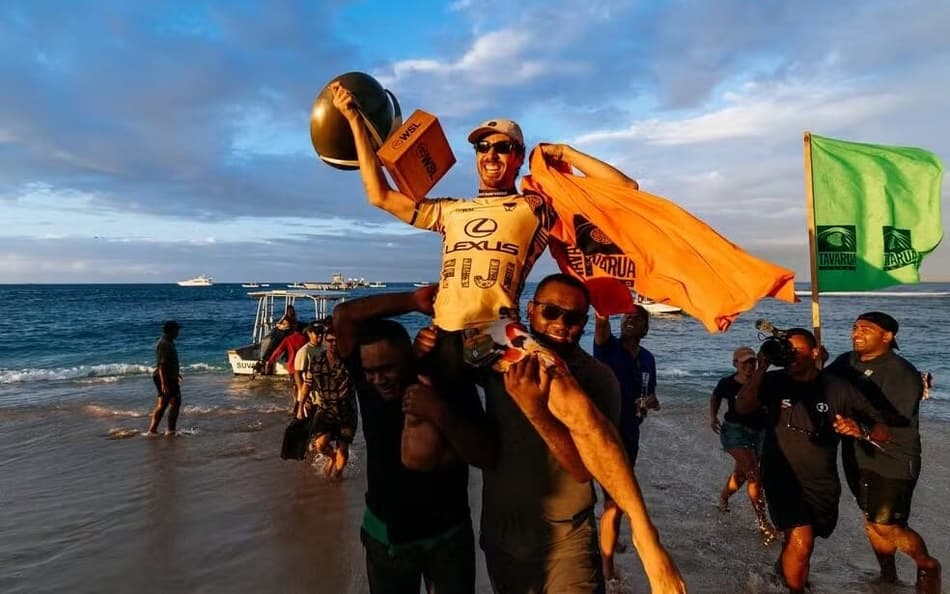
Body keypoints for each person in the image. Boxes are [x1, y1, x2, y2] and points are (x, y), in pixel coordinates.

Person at [479, 274, 683, 594]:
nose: (561, 324)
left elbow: (583, 469)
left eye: (573, 318)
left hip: (567, 538)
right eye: (551, 312)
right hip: (502, 532)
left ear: (585, 323)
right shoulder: (500, 357)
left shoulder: (599, 378)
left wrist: (536, 410)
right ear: (530, 310)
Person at [332, 287, 497, 594]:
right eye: (370, 371)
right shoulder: (368, 386)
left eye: (388, 369)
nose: (378, 379)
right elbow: (344, 316)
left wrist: (438, 412)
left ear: (408, 359)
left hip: (448, 535)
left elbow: (487, 456)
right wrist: (411, 301)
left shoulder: (447, 386)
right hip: (387, 538)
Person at [735, 328, 889, 593]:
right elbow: (742, 408)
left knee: (803, 540)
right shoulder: (773, 382)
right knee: (802, 539)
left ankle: (780, 575)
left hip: (822, 481)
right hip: (780, 474)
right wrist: (762, 367)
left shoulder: (837, 388)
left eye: (797, 351)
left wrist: (860, 430)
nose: (791, 356)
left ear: (815, 352)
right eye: (787, 351)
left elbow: (883, 430)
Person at [827, 312, 941, 591]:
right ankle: (887, 578)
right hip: (856, 453)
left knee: (887, 524)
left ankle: (927, 565)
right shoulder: (846, 361)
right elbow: (823, 387)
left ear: (887, 336)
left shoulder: (902, 372)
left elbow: (896, 420)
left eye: (866, 329)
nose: (856, 333)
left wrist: (861, 428)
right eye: (854, 328)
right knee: (871, 521)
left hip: (894, 458)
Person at [592, 305, 662, 582]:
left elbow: (650, 394)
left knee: (617, 498)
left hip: (631, 433)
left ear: (646, 327)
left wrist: (651, 402)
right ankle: (607, 568)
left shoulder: (647, 359)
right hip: (604, 434)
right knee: (612, 500)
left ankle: (610, 541)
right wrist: (603, 305)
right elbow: (600, 324)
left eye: (638, 318)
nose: (631, 320)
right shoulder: (607, 347)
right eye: (627, 317)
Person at [709, 346, 775, 541]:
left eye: (752, 362)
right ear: (735, 364)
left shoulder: (764, 381)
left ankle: (723, 497)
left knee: (742, 473)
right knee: (753, 473)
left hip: (759, 432)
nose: (749, 366)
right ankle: (763, 522)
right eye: (744, 362)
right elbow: (715, 397)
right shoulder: (727, 383)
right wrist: (713, 417)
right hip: (734, 431)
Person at [303, 326, 358, 479]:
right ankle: (332, 457)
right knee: (319, 444)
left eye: (337, 341)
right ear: (325, 342)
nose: (333, 344)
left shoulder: (350, 362)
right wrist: (301, 405)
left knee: (343, 448)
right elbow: (308, 383)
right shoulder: (317, 360)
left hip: (347, 410)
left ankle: (337, 476)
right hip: (326, 408)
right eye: (330, 341)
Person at [147, 320, 182, 435]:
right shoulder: (164, 344)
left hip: (169, 376)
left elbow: (169, 362)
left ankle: (153, 430)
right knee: (175, 402)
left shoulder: (169, 341)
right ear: (171, 331)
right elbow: (161, 365)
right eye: (177, 330)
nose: (178, 333)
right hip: (165, 378)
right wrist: (164, 383)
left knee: (164, 404)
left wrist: (176, 374)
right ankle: (170, 430)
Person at [267, 321, 307, 405]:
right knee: (304, 386)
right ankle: (303, 403)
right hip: (304, 366)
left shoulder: (288, 339)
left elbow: (278, 351)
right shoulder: (305, 339)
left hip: (292, 367)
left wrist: (270, 361)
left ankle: (297, 402)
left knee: (295, 386)